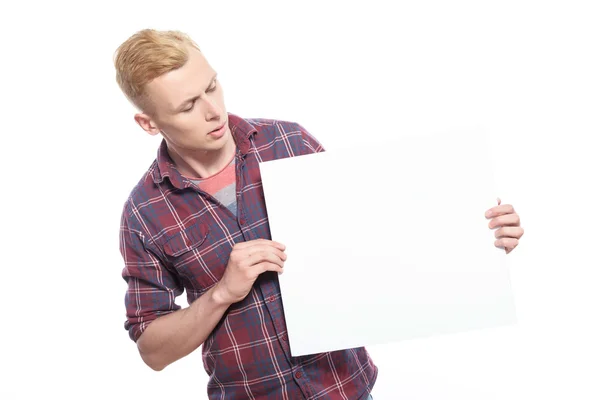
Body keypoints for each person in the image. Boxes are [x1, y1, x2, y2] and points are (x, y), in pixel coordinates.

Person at [114, 29, 524, 400]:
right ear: (148, 123)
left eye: (212, 86)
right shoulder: (144, 213)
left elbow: (378, 239)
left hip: (346, 389)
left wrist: (477, 239)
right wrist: (222, 293)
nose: (212, 111)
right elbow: (153, 349)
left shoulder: (288, 144)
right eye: (188, 106)